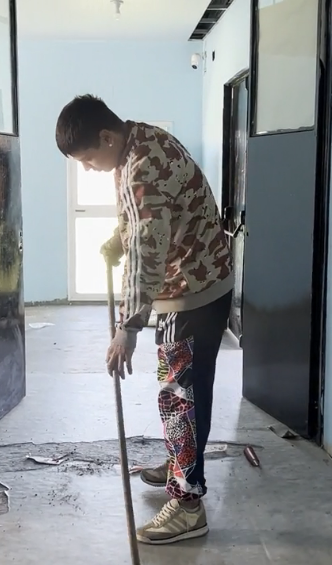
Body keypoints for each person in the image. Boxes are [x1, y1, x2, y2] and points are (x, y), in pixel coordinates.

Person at [55, 94, 233, 545]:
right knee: (184, 392)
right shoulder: (140, 143)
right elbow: (150, 221)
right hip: (198, 280)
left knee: (181, 397)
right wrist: (121, 235)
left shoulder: (140, 168)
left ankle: (188, 504)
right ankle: (179, 467)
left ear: (107, 137)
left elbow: (148, 256)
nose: (89, 169)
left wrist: (128, 326)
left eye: (89, 158)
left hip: (190, 291)